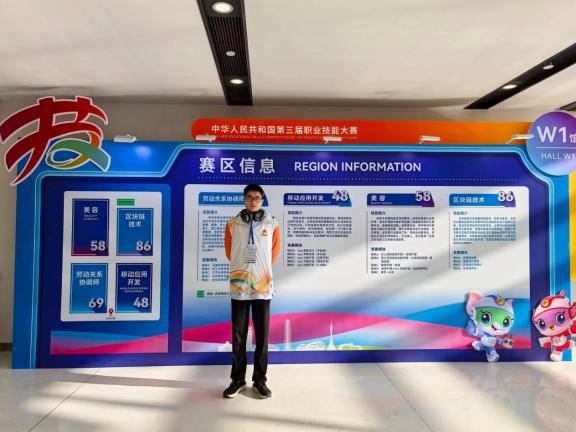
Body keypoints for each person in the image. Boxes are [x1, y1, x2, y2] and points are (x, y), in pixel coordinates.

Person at [222, 184, 281, 399]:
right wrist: (244, 269)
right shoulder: (232, 224)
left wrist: (259, 271)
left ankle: (260, 381)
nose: (253, 201)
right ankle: (237, 380)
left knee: (262, 336)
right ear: (243, 199)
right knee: (238, 336)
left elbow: (273, 253)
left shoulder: (272, 224)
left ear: (262, 199)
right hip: (239, 285)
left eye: (257, 197)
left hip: (262, 287)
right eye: (249, 197)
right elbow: (229, 252)